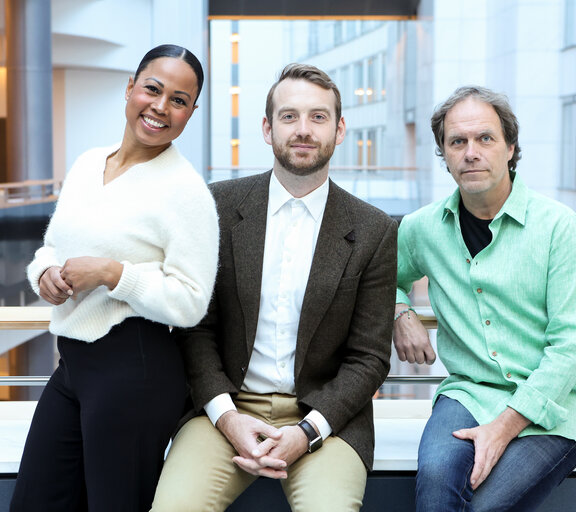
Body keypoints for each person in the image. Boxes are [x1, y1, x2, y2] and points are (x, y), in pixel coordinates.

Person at [150, 64, 396, 512]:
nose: (303, 130)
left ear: (339, 130)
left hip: (325, 418)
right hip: (223, 406)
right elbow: (195, 328)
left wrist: (307, 433)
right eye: (289, 116)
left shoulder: (373, 230)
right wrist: (227, 418)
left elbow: (370, 357)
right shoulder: (218, 207)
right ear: (267, 128)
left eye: (318, 117)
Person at [10, 44, 218, 512]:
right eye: (153, 89)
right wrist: (43, 271)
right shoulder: (88, 163)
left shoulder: (186, 192)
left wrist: (112, 273)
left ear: (191, 113)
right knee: (34, 503)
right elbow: (53, 245)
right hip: (72, 368)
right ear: (130, 87)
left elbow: (191, 301)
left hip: (136, 370)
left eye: (180, 100)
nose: (161, 107)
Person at [394, 85, 576, 511]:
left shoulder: (559, 228)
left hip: (556, 406)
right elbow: (378, 278)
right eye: (458, 142)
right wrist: (400, 310)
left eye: (485, 138)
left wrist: (503, 427)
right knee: (436, 486)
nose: (471, 152)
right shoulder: (421, 229)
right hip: (469, 392)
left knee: (483, 506)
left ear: (510, 147)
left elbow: (571, 346)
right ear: (445, 154)